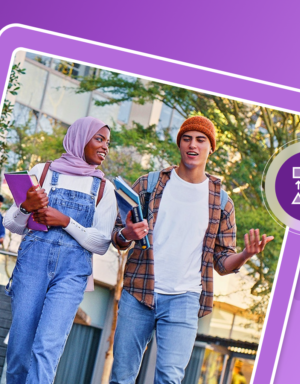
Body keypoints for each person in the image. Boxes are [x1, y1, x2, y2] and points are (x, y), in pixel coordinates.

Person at [110, 116, 274, 384]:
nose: (192, 145)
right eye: (187, 138)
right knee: (122, 377)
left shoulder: (222, 202)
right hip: (138, 291)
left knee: (170, 379)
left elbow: (221, 263)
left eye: (200, 140)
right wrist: (126, 234)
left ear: (211, 147)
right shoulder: (148, 185)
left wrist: (245, 254)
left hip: (184, 299)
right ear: (179, 144)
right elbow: (118, 237)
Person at [2, 116, 117, 384]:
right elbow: (11, 223)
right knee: (19, 348)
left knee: (47, 349)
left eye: (107, 142)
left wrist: (65, 221)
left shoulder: (103, 188)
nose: (105, 147)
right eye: (99, 139)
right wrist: (26, 207)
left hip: (72, 273)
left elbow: (101, 243)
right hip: (31, 266)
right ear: (80, 139)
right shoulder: (43, 171)